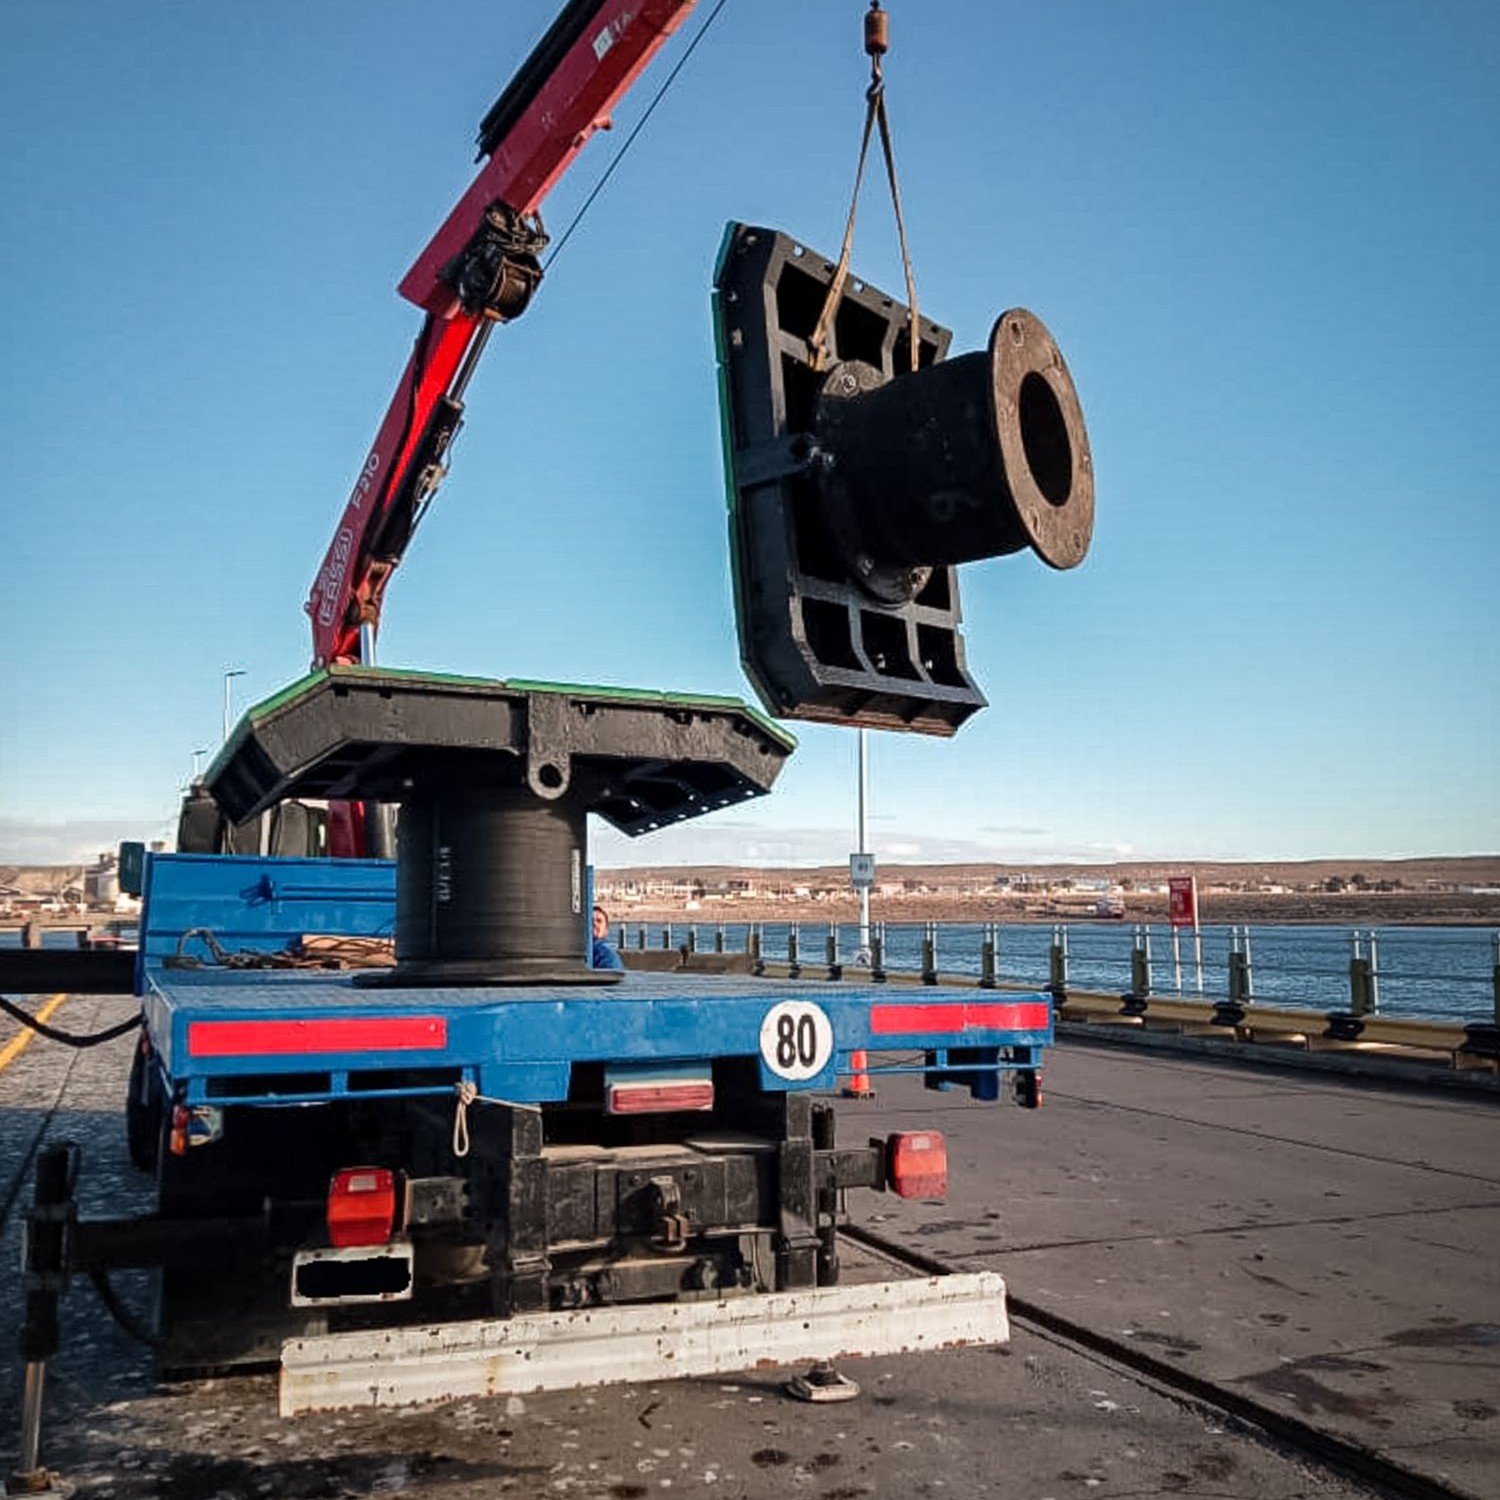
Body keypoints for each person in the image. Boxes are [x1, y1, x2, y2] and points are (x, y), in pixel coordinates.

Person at [591, 904, 624, 971]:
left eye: (599, 921)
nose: (594, 923)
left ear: (606, 931)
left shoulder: (607, 956)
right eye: (591, 921)